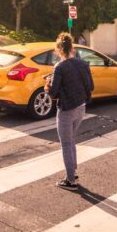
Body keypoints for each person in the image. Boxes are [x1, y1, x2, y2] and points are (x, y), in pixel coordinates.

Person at [46, 32, 93, 191]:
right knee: (71, 140)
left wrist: (47, 85)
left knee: (66, 143)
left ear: (59, 50)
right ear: (72, 47)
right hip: (81, 107)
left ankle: (71, 180)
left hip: (66, 110)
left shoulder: (59, 67)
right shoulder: (83, 63)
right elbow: (90, 86)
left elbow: (53, 93)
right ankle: (72, 172)